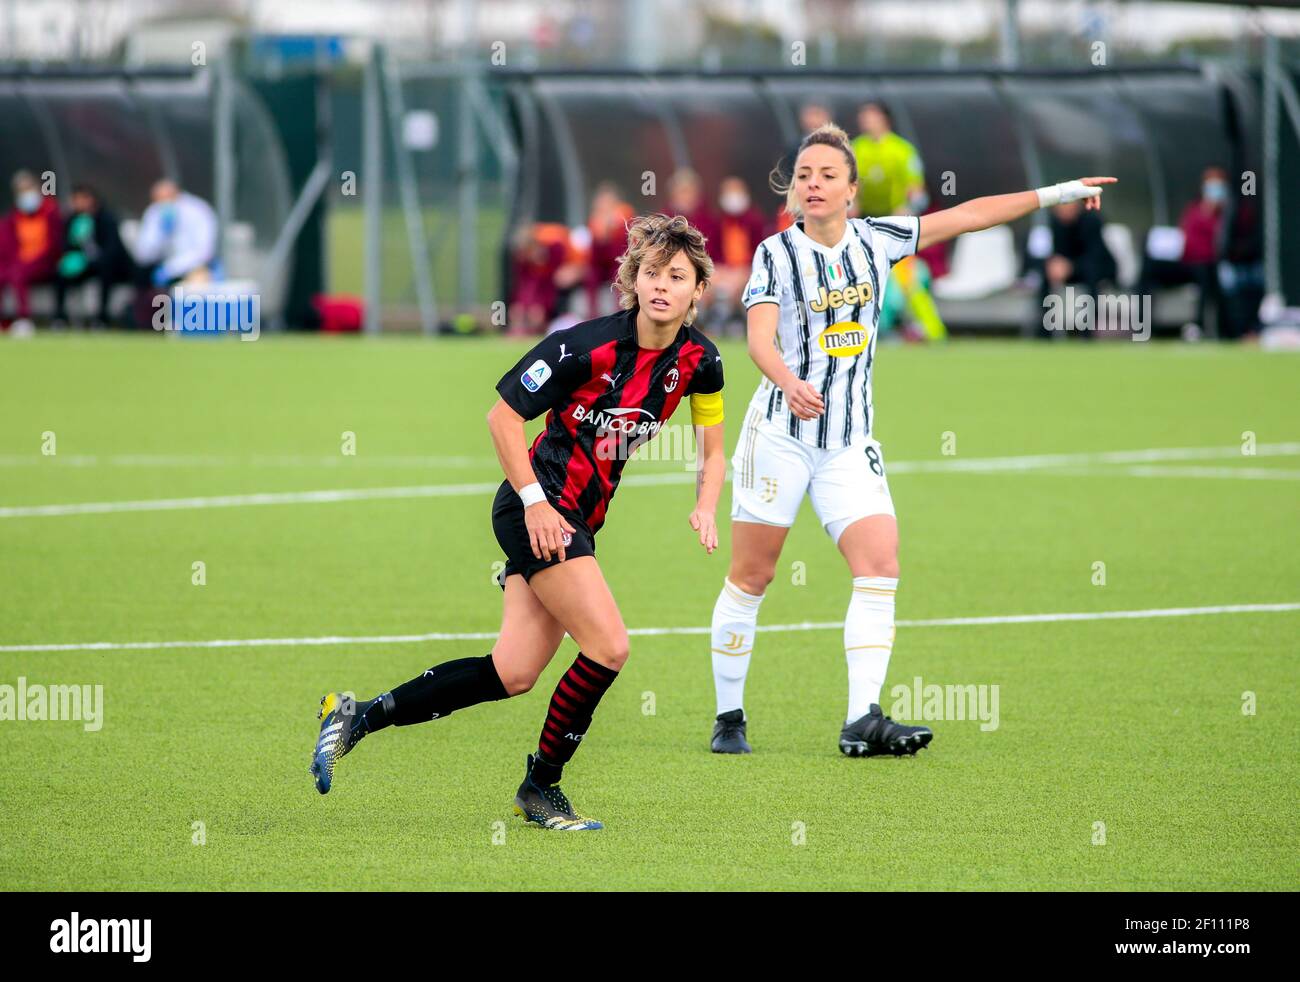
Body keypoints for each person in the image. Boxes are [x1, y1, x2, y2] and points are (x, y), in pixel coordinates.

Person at [707, 122, 1114, 757]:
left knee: (879, 567)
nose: (813, 185)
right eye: (804, 176)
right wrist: (787, 380)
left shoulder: (880, 238)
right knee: (752, 576)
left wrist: (1059, 191)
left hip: (848, 442)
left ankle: (861, 718)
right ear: (792, 191)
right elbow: (758, 337)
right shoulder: (775, 254)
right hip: (780, 437)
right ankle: (729, 716)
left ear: (852, 190)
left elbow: (972, 215)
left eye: (827, 176)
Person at [310, 213, 727, 831]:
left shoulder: (701, 361)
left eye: (676, 276)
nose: (661, 284)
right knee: (610, 647)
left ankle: (355, 717)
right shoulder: (583, 346)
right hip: (537, 508)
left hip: (577, 518)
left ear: (698, 292)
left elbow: (713, 449)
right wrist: (536, 502)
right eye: (650, 272)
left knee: (512, 672)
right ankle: (541, 787)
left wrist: (706, 503)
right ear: (632, 280)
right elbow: (502, 418)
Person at [852, 102, 946, 341]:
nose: (866, 121)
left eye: (871, 116)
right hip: (863, 228)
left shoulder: (902, 150)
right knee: (861, 281)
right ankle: (875, 334)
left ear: (885, 119)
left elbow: (918, 192)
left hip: (895, 227)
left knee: (908, 279)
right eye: (863, 116)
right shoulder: (856, 149)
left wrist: (906, 209)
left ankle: (934, 332)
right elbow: (849, 186)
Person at [1137, 166, 1227, 336]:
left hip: (1206, 266)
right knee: (1148, 269)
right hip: (1184, 262)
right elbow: (1184, 236)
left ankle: (1198, 327)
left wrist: (1214, 212)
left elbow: (1219, 244)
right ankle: (1143, 326)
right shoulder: (1194, 209)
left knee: (1205, 272)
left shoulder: (1228, 214)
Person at [131, 179, 218, 327]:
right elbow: (143, 253)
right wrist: (160, 235)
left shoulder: (198, 210)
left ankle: (186, 326)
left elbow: (204, 251)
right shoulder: (155, 213)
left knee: (198, 278)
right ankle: (144, 326)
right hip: (160, 267)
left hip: (192, 267)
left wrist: (171, 268)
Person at [1032, 198, 1117, 339]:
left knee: (1091, 275)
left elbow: (1096, 255)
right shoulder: (1055, 223)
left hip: (1097, 267)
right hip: (1067, 269)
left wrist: (1071, 267)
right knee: (1045, 275)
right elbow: (1054, 251)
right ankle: (1045, 331)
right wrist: (1055, 265)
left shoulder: (1092, 221)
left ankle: (1088, 332)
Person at [53, 185, 135, 328]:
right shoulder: (72, 220)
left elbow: (113, 249)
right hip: (85, 264)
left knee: (105, 272)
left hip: (110, 266)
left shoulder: (106, 218)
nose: (76, 203)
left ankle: (102, 318)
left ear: (90, 199)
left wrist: (97, 261)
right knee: (60, 272)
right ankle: (60, 317)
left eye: (79, 199)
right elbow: (66, 245)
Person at [702, 175, 768, 337]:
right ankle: (711, 323)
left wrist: (745, 270)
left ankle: (736, 321)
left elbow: (761, 251)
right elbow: (711, 252)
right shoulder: (717, 221)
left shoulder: (755, 220)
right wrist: (720, 270)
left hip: (748, 269)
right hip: (724, 270)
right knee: (708, 283)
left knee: (738, 284)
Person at [0, 170, 62, 333]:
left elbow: (54, 245)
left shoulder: (50, 212)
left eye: (28, 189)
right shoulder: (14, 218)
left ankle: (24, 318)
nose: (26, 195)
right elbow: (7, 247)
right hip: (20, 263)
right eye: (21, 191)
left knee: (18, 274)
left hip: (44, 263)